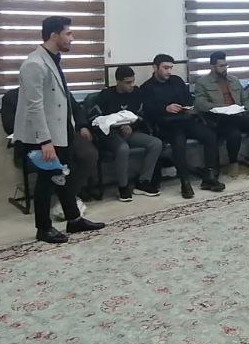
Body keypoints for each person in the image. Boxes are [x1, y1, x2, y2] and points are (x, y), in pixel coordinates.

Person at [14, 16, 105, 244]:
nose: (72, 38)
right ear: (54, 35)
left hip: (61, 132)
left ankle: (74, 219)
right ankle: (43, 228)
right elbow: (34, 106)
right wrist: (45, 141)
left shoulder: (53, 59)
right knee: (47, 181)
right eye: (68, 33)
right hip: (43, 137)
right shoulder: (34, 64)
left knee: (64, 176)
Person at [141, 54, 225, 198]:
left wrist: (189, 107)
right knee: (179, 142)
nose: (169, 71)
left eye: (170, 68)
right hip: (166, 124)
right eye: (165, 68)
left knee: (209, 135)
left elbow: (188, 99)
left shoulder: (177, 81)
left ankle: (209, 176)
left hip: (184, 119)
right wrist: (165, 108)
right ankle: (184, 181)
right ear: (155, 67)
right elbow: (148, 112)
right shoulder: (147, 87)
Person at [194, 51, 249, 182]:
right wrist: (220, 108)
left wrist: (245, 107)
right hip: (219, 118)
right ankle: (233, 162)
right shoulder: (202, 82)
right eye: (221, 66)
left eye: (226, 65)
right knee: (234, 134)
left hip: (237, 114)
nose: (224, 68)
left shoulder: (234, 80)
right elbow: (200, 103)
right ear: (212, 66)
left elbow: (245, 98)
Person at [90, 65, 164, 201]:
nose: (131, 85)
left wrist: (131, 125)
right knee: (123, 148)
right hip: (111, 134)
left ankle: (143, 182)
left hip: (131, 131)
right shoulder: (106, 95)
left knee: (156, 143)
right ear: (118, 82)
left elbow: (142, 114)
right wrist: (117, 125)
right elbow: (95, 118)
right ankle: (123, 187)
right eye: (128, 82)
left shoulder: (136, 93)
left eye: (133, 81)